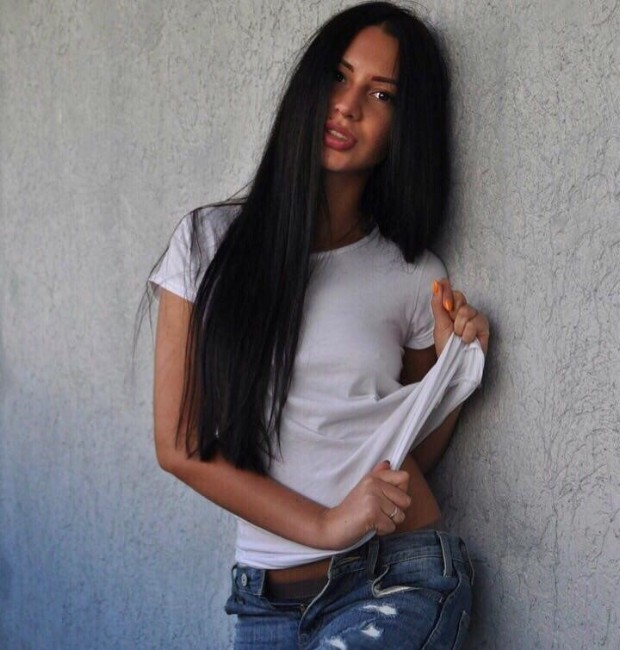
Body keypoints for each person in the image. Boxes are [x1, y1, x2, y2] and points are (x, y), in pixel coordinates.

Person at [149, 2, 490, 647]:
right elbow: (178, 445)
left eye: (381, 94)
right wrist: (325, 526)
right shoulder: (207, 244)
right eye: (338, 76)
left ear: (404, 127)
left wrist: (450, 375)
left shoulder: (412, 274)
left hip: (395, 578)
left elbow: (405, 458)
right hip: (262, 602)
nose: (348, 106)